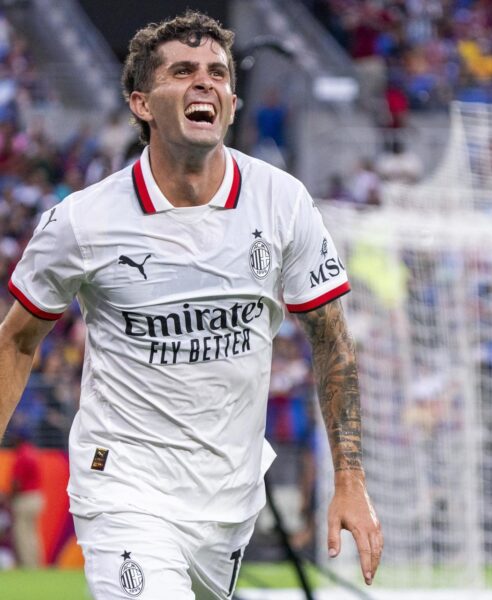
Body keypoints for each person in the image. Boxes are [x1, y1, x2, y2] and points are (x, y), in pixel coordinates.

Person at [0, 10, 383, 599]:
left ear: (231, 102)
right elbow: (18, 339)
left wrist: (350, 478)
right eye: (183, 71)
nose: (206, 82)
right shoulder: (83, 221)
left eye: (218, 73)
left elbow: (330, 339)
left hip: (228, 501)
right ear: (142, 103)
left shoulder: (281, 202)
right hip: (122, 488)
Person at [9, 428, 45, 568]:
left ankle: (28, 565)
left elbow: (17, 482)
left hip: (24, 498)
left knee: (22, 534)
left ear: (19, 439)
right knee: (33, 533)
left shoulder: (22, 455)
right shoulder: (33, 452)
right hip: (37, 497)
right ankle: (36, 564)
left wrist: (9, 497)